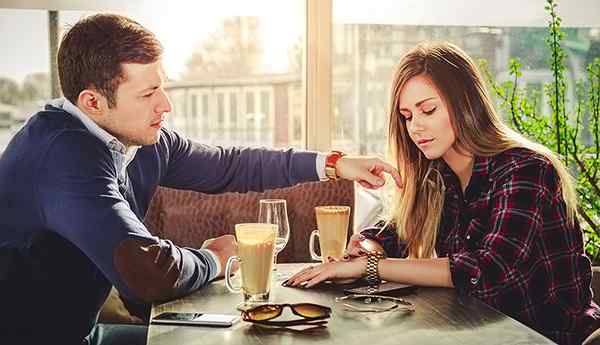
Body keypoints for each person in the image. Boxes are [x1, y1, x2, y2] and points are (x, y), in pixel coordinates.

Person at [0, 13, 401, 345]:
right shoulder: (62, 154)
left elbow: (232, 165)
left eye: (164, 86)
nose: (166, 104)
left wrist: (334, 163)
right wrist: (217, 259)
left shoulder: (136, 140)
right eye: (148, 93)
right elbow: (148, 273)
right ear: (92, 102)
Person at [286, 41, 600, 344]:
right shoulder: (438, 176)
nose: (415, 127)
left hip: (551, 338)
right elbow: (395, 234)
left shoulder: (526, 169)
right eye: (407, 116)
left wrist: (370, 266)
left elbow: (487, 271)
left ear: (466, 103)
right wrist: (366, 246)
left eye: (428, 110)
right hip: (481, 333)